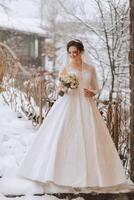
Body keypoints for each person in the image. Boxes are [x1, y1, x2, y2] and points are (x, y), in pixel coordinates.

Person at [18, 39, 133, 193]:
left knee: (89, 137)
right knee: (62, 135)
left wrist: (91, 92)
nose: (73, 55)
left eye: (75, 52)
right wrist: (64, 88)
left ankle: (94, 177)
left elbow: (96, 88)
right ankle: (55, 174)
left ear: (81, 52)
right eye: (70, 53)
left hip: (86, 104)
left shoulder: (90, 69)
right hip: (68, 103)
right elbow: (60, 87)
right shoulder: (65, 68)